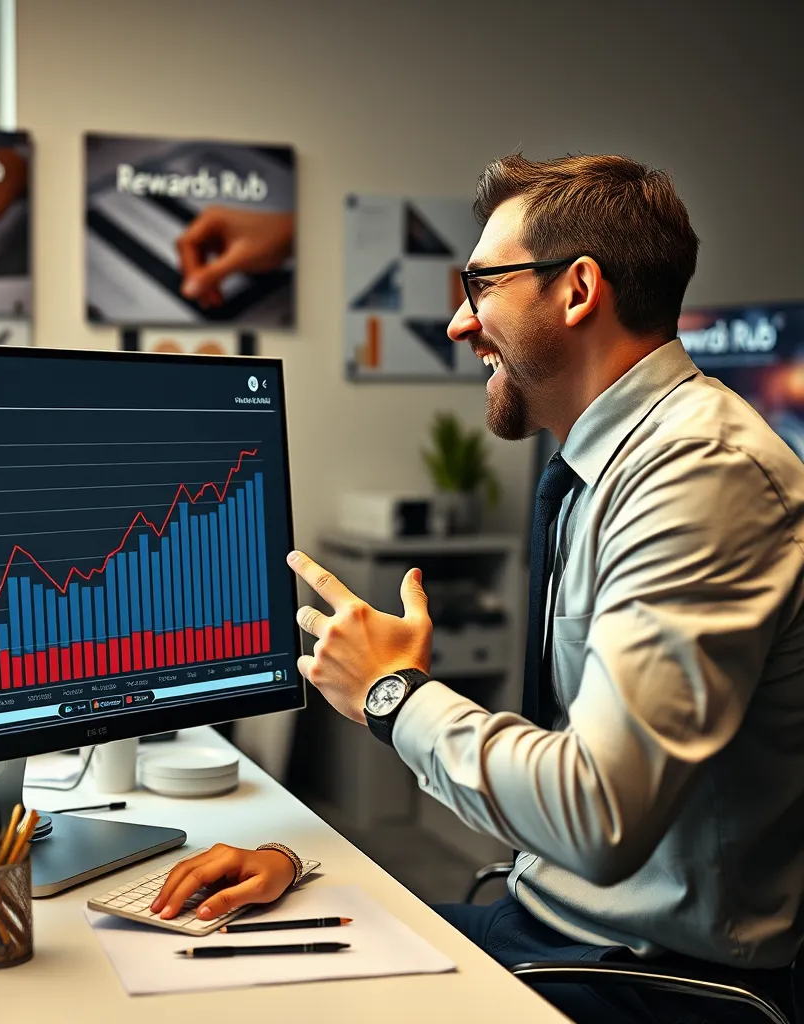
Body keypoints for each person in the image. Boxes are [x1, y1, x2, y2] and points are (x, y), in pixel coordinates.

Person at [152, 154, 804, 1023]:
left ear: (577, 291)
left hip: (655, 976)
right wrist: (308, 871)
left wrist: (392, 695)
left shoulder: (697, 476)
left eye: (482, 283)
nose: (459, 321)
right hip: (554, 917)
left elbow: (597, 814)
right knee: (234, 948)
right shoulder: (607, 467)